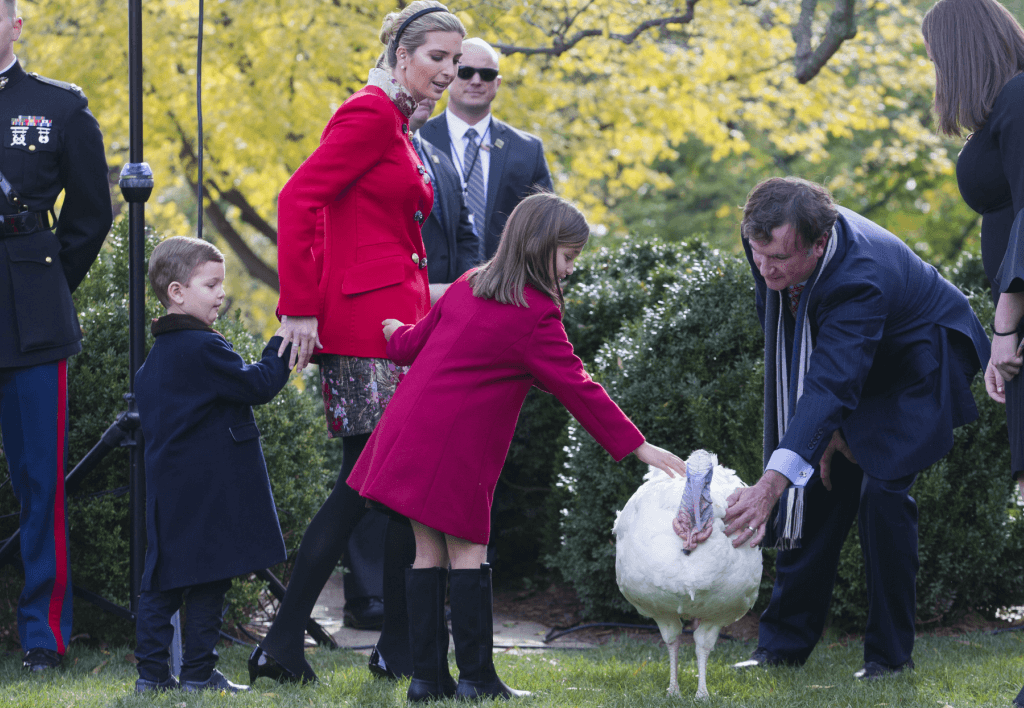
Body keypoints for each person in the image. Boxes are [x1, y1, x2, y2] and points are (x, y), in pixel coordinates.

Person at [347, 192, 689, 702]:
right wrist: (638, 446)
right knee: (468, 551)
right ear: (538, 246)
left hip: (408, 433)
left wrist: (394, 331)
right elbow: (579, 388)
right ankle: (476, 680)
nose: (571, 269)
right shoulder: (535, 313)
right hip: (456, 449)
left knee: (426, 552)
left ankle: (427, 680)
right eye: (568, 256)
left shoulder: (468, 284)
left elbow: (412, 345)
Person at [249, 1, 467, 685]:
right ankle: (288, 644)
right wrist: (299, 308)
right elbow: (297, 200)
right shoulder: (370, 114)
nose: (449, 72)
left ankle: (393, 647)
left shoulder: (396, 122)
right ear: (402, 56)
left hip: (392, 327)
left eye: (455, 61)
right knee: (364, 487)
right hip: (364, 329)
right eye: (437, 57)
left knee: (390, 490)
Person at [717, 177, 989, 679]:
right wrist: (815, 437)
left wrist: (771, 484)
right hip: (853, 352)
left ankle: (889, 658)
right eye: (758, 253)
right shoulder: (765, 236)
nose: (765, 266)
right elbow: (786, 331)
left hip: (916, 359)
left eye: (779, 258)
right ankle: (780, 649)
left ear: (820, 243)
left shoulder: (860, 278)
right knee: (813, 484)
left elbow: (832, 385)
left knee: (882, 494)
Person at [0, 0, 112, 672]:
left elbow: (92, 214)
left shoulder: (59, 107)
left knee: (41, 479)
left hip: (30, 317)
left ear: (16, 24)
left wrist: (43, 287)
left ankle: (42, 634)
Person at [921, 1, 1024, 702]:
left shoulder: (1020, 99)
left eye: (935, 57)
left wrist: (1006, 329)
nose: (934, 72)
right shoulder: (1008, 108)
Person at [133, 237, 291, 694]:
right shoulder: (202, 347)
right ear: (177, 292)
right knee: (209, 583)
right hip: (209, 492)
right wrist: (283, 341)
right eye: (211, 284)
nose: (222, 293)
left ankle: (151, 676)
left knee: (161, 584)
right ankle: (198, 675)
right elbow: (257, 384)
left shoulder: (154, 360)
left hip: (169, 492)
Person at [420, 38, 553, 260]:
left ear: (497, 82)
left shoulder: (528, 150)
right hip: (430, 277)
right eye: (465, 72)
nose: (476, 81)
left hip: (505, 278)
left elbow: (546, 225)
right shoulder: (417, 138)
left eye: (487, 74)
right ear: (448, 76)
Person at [411, 97, 482, 300]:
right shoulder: (376, 154)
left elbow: (465, 235)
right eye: (417, 85)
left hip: (447, 305)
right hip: (399, 300)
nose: (427, 95)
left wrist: (463, 287)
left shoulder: (442, 160)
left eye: (432, 86)